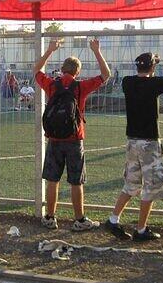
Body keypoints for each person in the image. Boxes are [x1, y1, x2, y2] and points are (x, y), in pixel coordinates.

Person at [105, 53, 163, 241]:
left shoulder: (127, 82)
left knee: (131, 184)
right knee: (151, 185)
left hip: (132, 141)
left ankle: (113, 219)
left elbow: (143, 78)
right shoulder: (155, 83)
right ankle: (141, 229)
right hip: (149, 142)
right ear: (152, 68)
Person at [34, 38, 110, 231]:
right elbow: (105, 74)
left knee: (53, 180)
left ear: (62, 70)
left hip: (54, 138)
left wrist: (50, 49)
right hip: (75, 139)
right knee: (76, 181)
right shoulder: (80, 87)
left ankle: (50, 217)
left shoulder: (52, 85)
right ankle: (79, 219)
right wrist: (96, 50)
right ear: (78, 72)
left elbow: (36, 71)